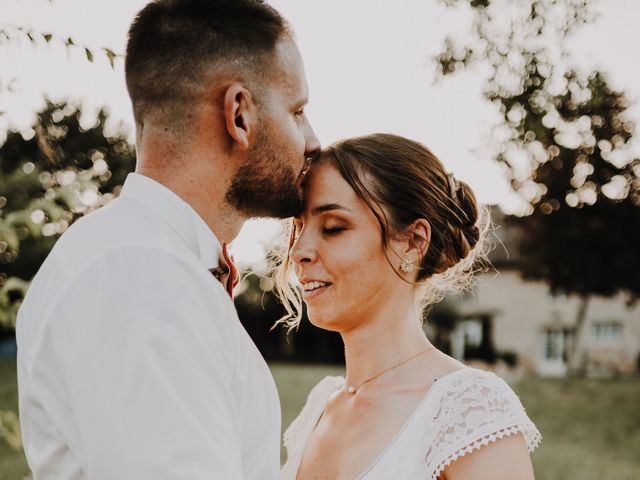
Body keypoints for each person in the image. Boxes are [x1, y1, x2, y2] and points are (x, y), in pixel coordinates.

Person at [16, 0, 320, 478]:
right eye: (298, 111)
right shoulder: (139, 277)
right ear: (239, 114)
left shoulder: (143, 260)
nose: (314, 140)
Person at [278, 134, 541, 480]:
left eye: (333, 228)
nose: (299, 251)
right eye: (298, 228)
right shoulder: (320, 406)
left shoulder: (468, 410)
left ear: (413, 242)